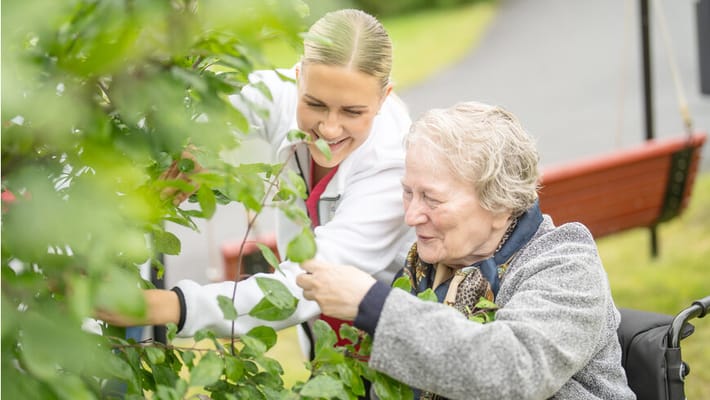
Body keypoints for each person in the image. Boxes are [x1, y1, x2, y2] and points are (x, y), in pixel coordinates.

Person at [97, 9, 414, 355]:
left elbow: (305, 285)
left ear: (384, 97)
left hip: (383, 356)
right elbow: (229, 103)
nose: (329, 129)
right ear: (298, 79)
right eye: (315, 104)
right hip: (325, 346)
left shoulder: (390, 168)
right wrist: (197, 146)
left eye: (352, 112)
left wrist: (168, 306)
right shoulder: (284, 94)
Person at [297, 101, 636, 399]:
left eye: (431, 198)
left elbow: (511, 373)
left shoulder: (564, 264)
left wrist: (373, 305)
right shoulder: (424, 267)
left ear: (500, 203)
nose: (411, 215)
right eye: (408, 193)